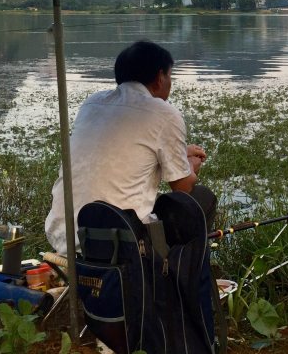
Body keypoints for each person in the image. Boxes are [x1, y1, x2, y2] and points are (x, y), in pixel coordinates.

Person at [45, 40, 215, 256]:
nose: (170, 84)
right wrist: (191, 166)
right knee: (202, 198)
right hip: (119, 244)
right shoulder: (165, 113)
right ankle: (183, 279)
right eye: (170, 77)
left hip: (64, 237)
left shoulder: (92, 103)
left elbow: (126, 150)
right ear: (159, 77)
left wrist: (182, 151)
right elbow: (182, 189)